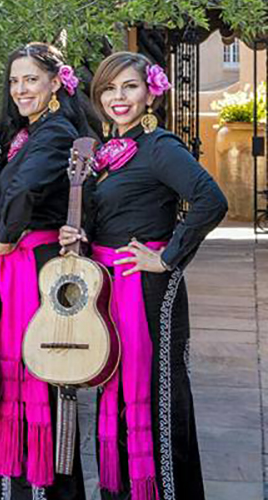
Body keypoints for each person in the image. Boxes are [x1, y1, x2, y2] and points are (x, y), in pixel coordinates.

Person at [58, 51, 225, 500]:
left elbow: (211, 199)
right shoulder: (111, 153)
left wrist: (167, 258)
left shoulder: (160, 147)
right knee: (114, 388)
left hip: (149, 289)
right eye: (109, 89)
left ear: (150, 92)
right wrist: (80, 232)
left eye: (129, 86)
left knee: (158, 395)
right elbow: (114, 213)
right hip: (109, 288)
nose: (118, 97)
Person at [0, 42, 99, 500]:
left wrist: (5, 236)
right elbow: (13, 195)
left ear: (56, 83)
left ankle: (48, 487)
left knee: (39, 369)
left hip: (36, 267)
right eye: (15, 81)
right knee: (21, 367)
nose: (20, 89)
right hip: (21, 262)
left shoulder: (56, 130)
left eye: (31, 80)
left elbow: (24, 190)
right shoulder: (31, 131)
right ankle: (22, 485)